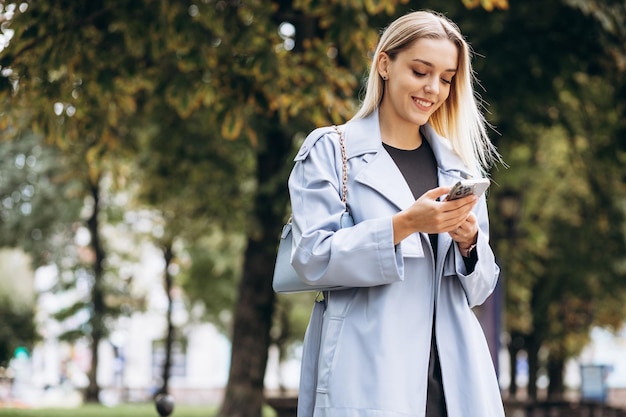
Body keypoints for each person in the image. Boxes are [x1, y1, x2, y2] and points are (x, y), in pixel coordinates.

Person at [287, 9, 505, 417]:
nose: (433, 88)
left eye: (445, 77)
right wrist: (406, 225)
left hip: (452, 380)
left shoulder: (458, 168)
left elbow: (481, 287)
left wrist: (469, 243)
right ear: (385, 65)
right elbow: (312, 259)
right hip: (371, 371)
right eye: (421, 71)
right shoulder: (331, 151)